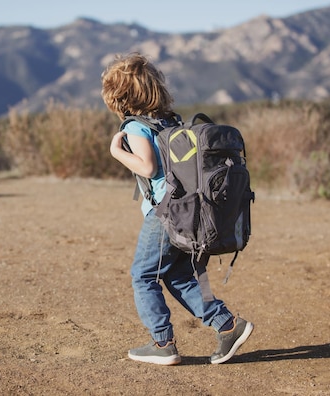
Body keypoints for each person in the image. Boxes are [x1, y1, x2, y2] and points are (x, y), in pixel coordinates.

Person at [101, 53, 254, 365]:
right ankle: (227, 326)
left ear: (119, 96)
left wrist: (116, 152)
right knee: (180, 276)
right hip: (187, 212)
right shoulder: (170, 121)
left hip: (165, 215)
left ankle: (162, 344)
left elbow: (147, 166)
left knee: (143, 275)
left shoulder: (136, 126)